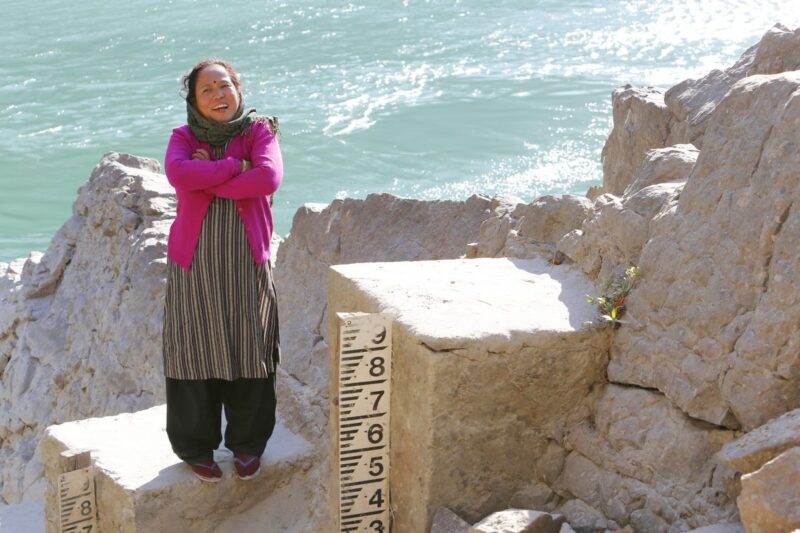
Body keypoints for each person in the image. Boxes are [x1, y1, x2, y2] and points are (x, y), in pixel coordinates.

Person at [161, 58, 283, 483]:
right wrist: (234, 167)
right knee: (192, 349)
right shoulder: (182, 137)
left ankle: (248, 444)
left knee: (250, 345)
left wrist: (206, 176)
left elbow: (267, 179)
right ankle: (196, 447)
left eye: (224, 85)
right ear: (194, 100)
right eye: (207, 89)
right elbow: (178, 172)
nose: (217, 95)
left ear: (238, 89)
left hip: (247, 262)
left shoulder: (259, 131)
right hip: (193, 265)